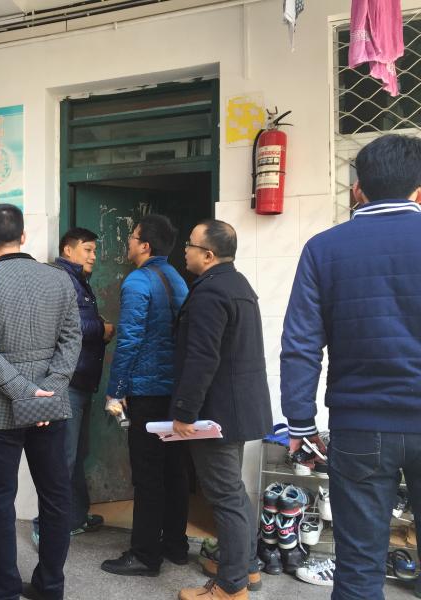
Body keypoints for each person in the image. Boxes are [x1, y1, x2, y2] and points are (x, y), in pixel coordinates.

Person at [281, 134, 421, 600]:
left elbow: (301, 343)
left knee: (359, 566)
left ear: (357, 188)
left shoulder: (324, 248)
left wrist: (300, 423)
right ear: (419, 190)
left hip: (360, 428)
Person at [0, 204, 82, 600]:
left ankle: (5, 591)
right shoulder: (59, 279)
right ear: (24, 236)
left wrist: (20, 390)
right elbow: (72, 338)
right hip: (51, 407)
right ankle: (50, 587)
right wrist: (50, 388)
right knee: (56, 498)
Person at [172, 220, 272, 600]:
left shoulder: (210, 292)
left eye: (190, 245)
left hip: (217, 414)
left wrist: (185, 411)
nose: (186, 250)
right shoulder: (238, 285)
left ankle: (230, 587)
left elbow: (202, 358)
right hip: (238, 409)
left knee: (226, 497)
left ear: (209, 254)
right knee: (234, 492)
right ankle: (245, 567)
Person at [100, 214, 190, 577]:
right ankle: (175, 546)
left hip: (148, 391)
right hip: (175, 391)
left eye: (133, 237)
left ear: (145, 246)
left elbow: (129, 340)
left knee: (148, 474)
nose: (129, 242)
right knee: (175, 470)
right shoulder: (176, 278)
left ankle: (145, 555)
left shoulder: (138, 281)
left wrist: (116, 390)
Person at [30, 227, 115, 547]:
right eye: (88, 249)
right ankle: (45, 525)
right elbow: (66, 324)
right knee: (62, 458)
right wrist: (101, 328)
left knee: (78, 454)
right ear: (68, 250)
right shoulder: (62, 279)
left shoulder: (78, 280)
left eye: (95, 250)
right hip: (67, 382)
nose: (94, 256)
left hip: (81, 380)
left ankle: (75, 517)